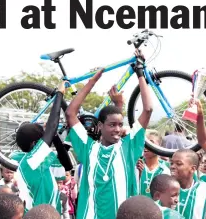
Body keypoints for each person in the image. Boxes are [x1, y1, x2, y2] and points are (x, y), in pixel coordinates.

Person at [65, 51, 153, 219]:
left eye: (120, 125)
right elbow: (71, 113)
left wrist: (140, 73)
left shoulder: (129, 146)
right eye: (112, 125)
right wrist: (92, 81)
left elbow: (148, 109)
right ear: (100, 126)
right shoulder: (87, 147)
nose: (118, 129)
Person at [12, 81, 73, 214]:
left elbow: (67, 165)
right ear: (34, 144)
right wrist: (59, 94)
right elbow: (52, 125)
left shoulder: (40, 163)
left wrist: (55, 136)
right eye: (43, 138)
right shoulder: (32, 161)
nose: (46, 139)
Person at [170, 149, 206, 219]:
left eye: (178, 164)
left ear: (193, 169)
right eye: (171, 163)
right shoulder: (165, 185)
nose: (172, 166)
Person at [137, 131, 170, 198]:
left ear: (160, 147)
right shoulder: (137, 164)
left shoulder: (165, 170)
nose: (146, 146)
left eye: (151, 143)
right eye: (145, 143)